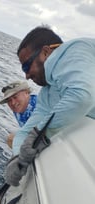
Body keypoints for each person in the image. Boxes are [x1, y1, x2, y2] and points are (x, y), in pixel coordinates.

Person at [5, 25, 95, 187]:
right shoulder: (47, 94)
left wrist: (41, 135)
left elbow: (82, 97)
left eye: (27, 66)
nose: (26, 75)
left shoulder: (73, 49)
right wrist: (16, 159)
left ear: (46, 53)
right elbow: (25, 133)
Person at [0, 81, 37, 148]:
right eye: (9, 100)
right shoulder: (18, 107)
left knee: (12, 139)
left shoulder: (38, 105)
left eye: (15, 97)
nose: (13, 103)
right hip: (32, 137)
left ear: (27, 93)